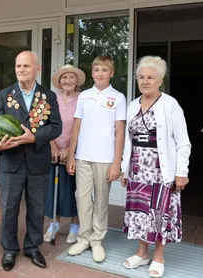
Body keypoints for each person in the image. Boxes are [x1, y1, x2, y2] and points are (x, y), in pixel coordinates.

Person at [121, 56, 191, 278]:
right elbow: (126, 141)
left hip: (161, 171)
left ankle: (159, 255)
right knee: (141, 212)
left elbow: (183, 141)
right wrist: (124, 168)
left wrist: (181, 172)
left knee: (160, 214)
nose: (145, 81)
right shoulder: (133, 105)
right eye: (141, 77)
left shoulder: (170, 104)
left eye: (150, 77)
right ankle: (142, 252)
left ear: (160, 79)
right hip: (137, 169)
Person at [0, 51, 62, 271]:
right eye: (18, 66)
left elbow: (56, 126)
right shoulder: (5, 94)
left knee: (37, 207)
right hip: (11, 161)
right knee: (9, 208)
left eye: (26, 66)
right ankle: (9, 249)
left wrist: (35, 137)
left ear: (37, 69)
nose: (21, 70)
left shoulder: (48, 96)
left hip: (37, 161)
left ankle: (33, 247)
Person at [66, 55, 126, 262]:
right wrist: (71, 155)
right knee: (82, 198)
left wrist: (117, 162)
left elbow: (120, 132)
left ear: (112, 73)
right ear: (92, 73)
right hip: (83, 156)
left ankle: (97, 241)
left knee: (101, 200)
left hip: (105, 158)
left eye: (105, 70)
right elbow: (76, 126)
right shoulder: (84, 96)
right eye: (97, 69)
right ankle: (83, 238)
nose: (100, 73)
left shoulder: (118, 97)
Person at [43, 65, 85, 244]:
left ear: (77, 81)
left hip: (76, 150)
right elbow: (45, 123)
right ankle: (54, 224)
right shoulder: (52, 98)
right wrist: (53, 146)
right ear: (59, 81)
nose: (67, 81)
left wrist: (70, 149)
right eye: (64, 78)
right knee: (54, 190)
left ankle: (75, 227)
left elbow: (84, 125)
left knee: (74, 190)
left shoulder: (83, 98)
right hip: (53, 151)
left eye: (71, 77)